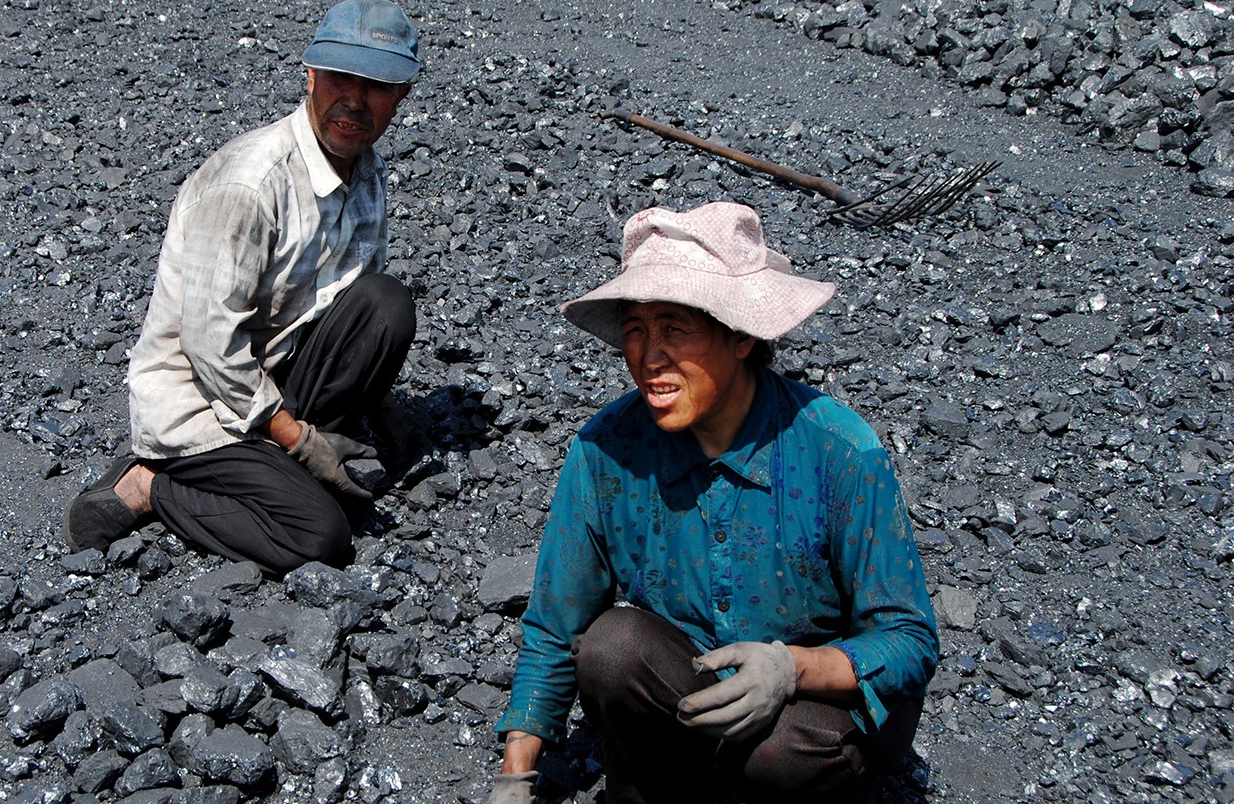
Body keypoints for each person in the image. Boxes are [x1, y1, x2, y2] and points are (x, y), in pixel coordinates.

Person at [489, 202, 939, 803]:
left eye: (676, 328)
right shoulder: (606, 453)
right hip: (692, 684)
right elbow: (555, 623)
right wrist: (515, 774)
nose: (649, 358)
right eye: (635, 330)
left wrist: (791, 669)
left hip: (814, 710)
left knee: (784, 753)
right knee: (612, 646)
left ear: (743, 335)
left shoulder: (840, 452)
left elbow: (909, 640)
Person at [62, 0, 422, 577]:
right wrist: (300, 442)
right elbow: (210, 344)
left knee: (387, 303)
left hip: (273, 370)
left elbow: (347, 306)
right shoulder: (249, 185)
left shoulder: (366, 170)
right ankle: (154, 482)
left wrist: (381, 406)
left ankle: (268, 460)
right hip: (200, 398)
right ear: (310, 76)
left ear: (401, 95)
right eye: (338, 78)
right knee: (321, 535)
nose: (353, 101)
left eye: (376, 85)